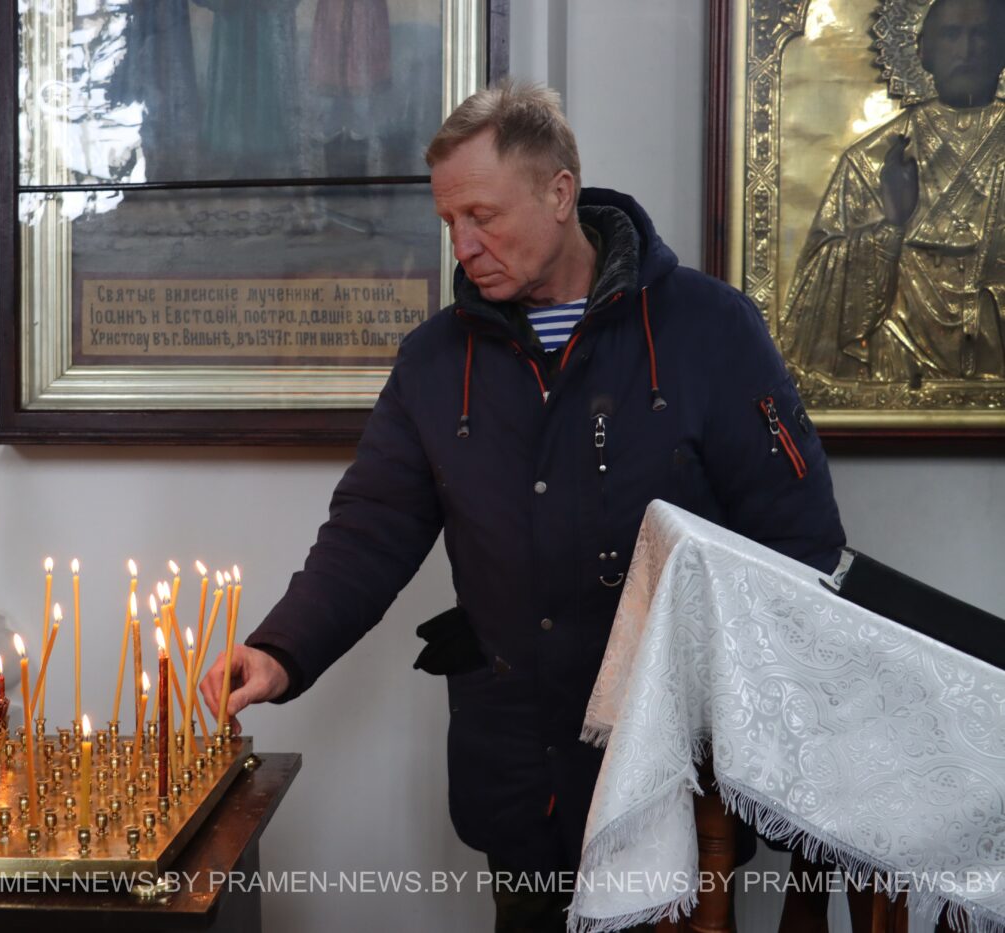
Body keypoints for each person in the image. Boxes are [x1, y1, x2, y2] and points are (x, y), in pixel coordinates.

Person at [199, 82, 846, 932]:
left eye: (483, 216)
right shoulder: (435, 362)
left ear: (559, 191)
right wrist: (280, 650)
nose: (463, 246)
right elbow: (368, 532)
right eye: (449, 222)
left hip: (675, 772)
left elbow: (798, 545)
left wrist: (780, 739)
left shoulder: (708, 329)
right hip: (519, 768)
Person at [781, 0, 1005, 382]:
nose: (966, 50)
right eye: (951, 35)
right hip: (898, 357)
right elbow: (817, 289)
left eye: (981, 35)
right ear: (922, 51)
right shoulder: (870, 161)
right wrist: (891, 227)